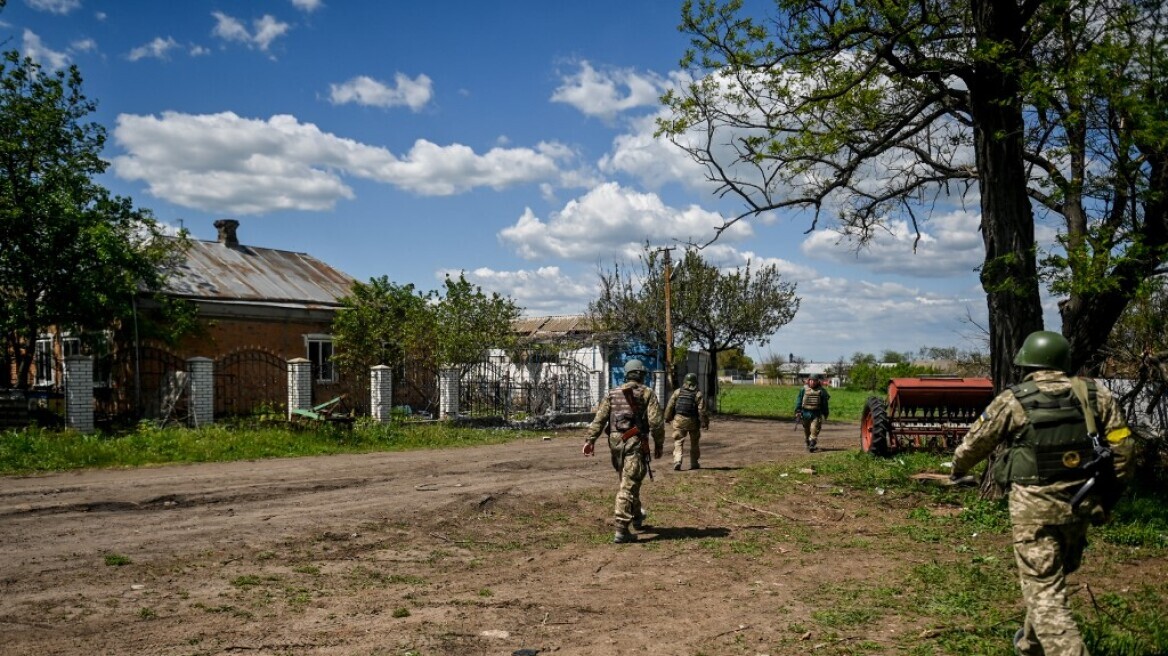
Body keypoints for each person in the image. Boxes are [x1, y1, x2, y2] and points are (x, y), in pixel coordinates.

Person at [950, 331, 1134, 656]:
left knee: (1045, 587)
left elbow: (974, 444)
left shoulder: (1014, 399)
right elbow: (1124, 447)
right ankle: (1029, 644)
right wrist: (1109, 495)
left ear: (1027, 364)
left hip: (1033, 513)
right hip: (1080, 506)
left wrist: (958, 469)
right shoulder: (1095, 394)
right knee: (1049, 577)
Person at [583, 359, 665, 543]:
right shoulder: (647, 393)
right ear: (641, 374)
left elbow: (599, 419)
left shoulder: (612, 394)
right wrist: (659, 444)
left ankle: (637, 517)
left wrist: (590, 440)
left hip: (615, 442)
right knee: (628, 484)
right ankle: (621, 528)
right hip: (634, 442)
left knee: (628, 478)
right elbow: (656, 422)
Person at [664, 372, 710, 471]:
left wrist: (667, 417)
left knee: (678, 441)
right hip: (693, 421)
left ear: (685, 381)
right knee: (694, 443)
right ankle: (694, 463)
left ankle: (677, 460)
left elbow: (670, 406)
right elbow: (702, 411)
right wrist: (704, 423)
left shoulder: (678, 392)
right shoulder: (698, 394)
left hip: (679, 420)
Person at [794, 373, 830, 452]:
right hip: (805, 413)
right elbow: (799, 400)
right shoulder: (803, 389)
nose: (812, 382)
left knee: (814, 429)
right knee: (807, 431)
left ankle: (812, 444)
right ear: (808, 381)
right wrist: (798, 410)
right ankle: (808, 443)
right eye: (811, 381)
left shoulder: (822, 391)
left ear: (817, 381)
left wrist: (825, 413)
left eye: (814, 381)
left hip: (816, 414)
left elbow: (825, 403)